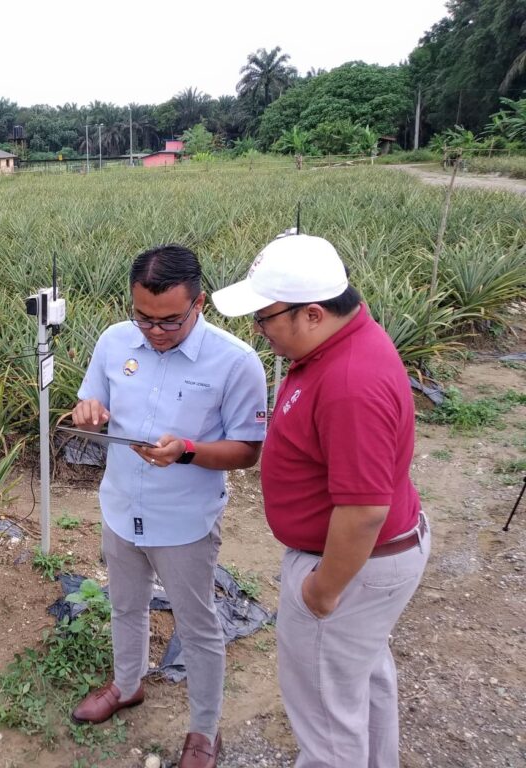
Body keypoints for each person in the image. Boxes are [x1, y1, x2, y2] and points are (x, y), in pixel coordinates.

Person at [211, 233, 431, 768]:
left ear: (313, 313)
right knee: (359, 684)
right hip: (375, 559)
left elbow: (363, 510)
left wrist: (322, 590)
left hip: (350, 567)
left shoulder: (350, 381)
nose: (259, 330)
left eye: (265, 318)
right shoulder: (342, 342)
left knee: (328, 723)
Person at [70, 244, 267, 768]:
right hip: (120, 506)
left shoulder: (235, 362)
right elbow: (90, 403)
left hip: (184, 521)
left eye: (170, 321)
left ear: (199, 303)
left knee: (197, 627)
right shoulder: (115, 341)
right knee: (125, 606)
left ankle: (204, 731)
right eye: (144, 317)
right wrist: (88, 412)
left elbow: (248, 450)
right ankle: (127, 684)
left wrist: (188, 451)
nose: (154, 331)